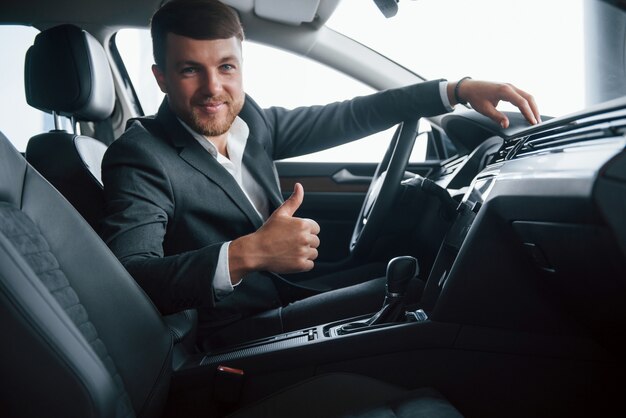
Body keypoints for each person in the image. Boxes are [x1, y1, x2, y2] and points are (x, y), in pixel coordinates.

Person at [100, 0, 540, 347]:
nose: (214, 88)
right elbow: (131, 278)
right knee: (436, 302)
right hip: (236, 332)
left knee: (429, 282)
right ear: (161, 78)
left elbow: (351, 115)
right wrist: (248, 253)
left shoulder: (248, 118)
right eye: (190, 70)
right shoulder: (140, 156)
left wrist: (455, 91)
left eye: (226, 67)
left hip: (289, 290)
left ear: (241, 66)